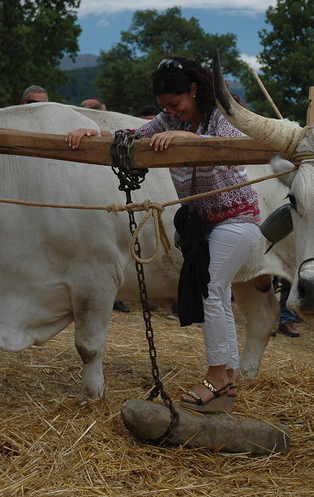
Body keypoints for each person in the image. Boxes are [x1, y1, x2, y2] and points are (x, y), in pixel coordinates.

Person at [67, 57, 261, 413]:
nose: (172, 112)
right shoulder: (170, 118)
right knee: (215, 292)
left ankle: (217, 376)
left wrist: (190, 138)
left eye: (176, 103)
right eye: (166, 107)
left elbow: (233, 148)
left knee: (210, 291)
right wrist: (94, 134)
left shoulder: (222, 113)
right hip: (204, 225)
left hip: (238, 220)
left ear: (193, 90)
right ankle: (228, 380)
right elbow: (133, 137)